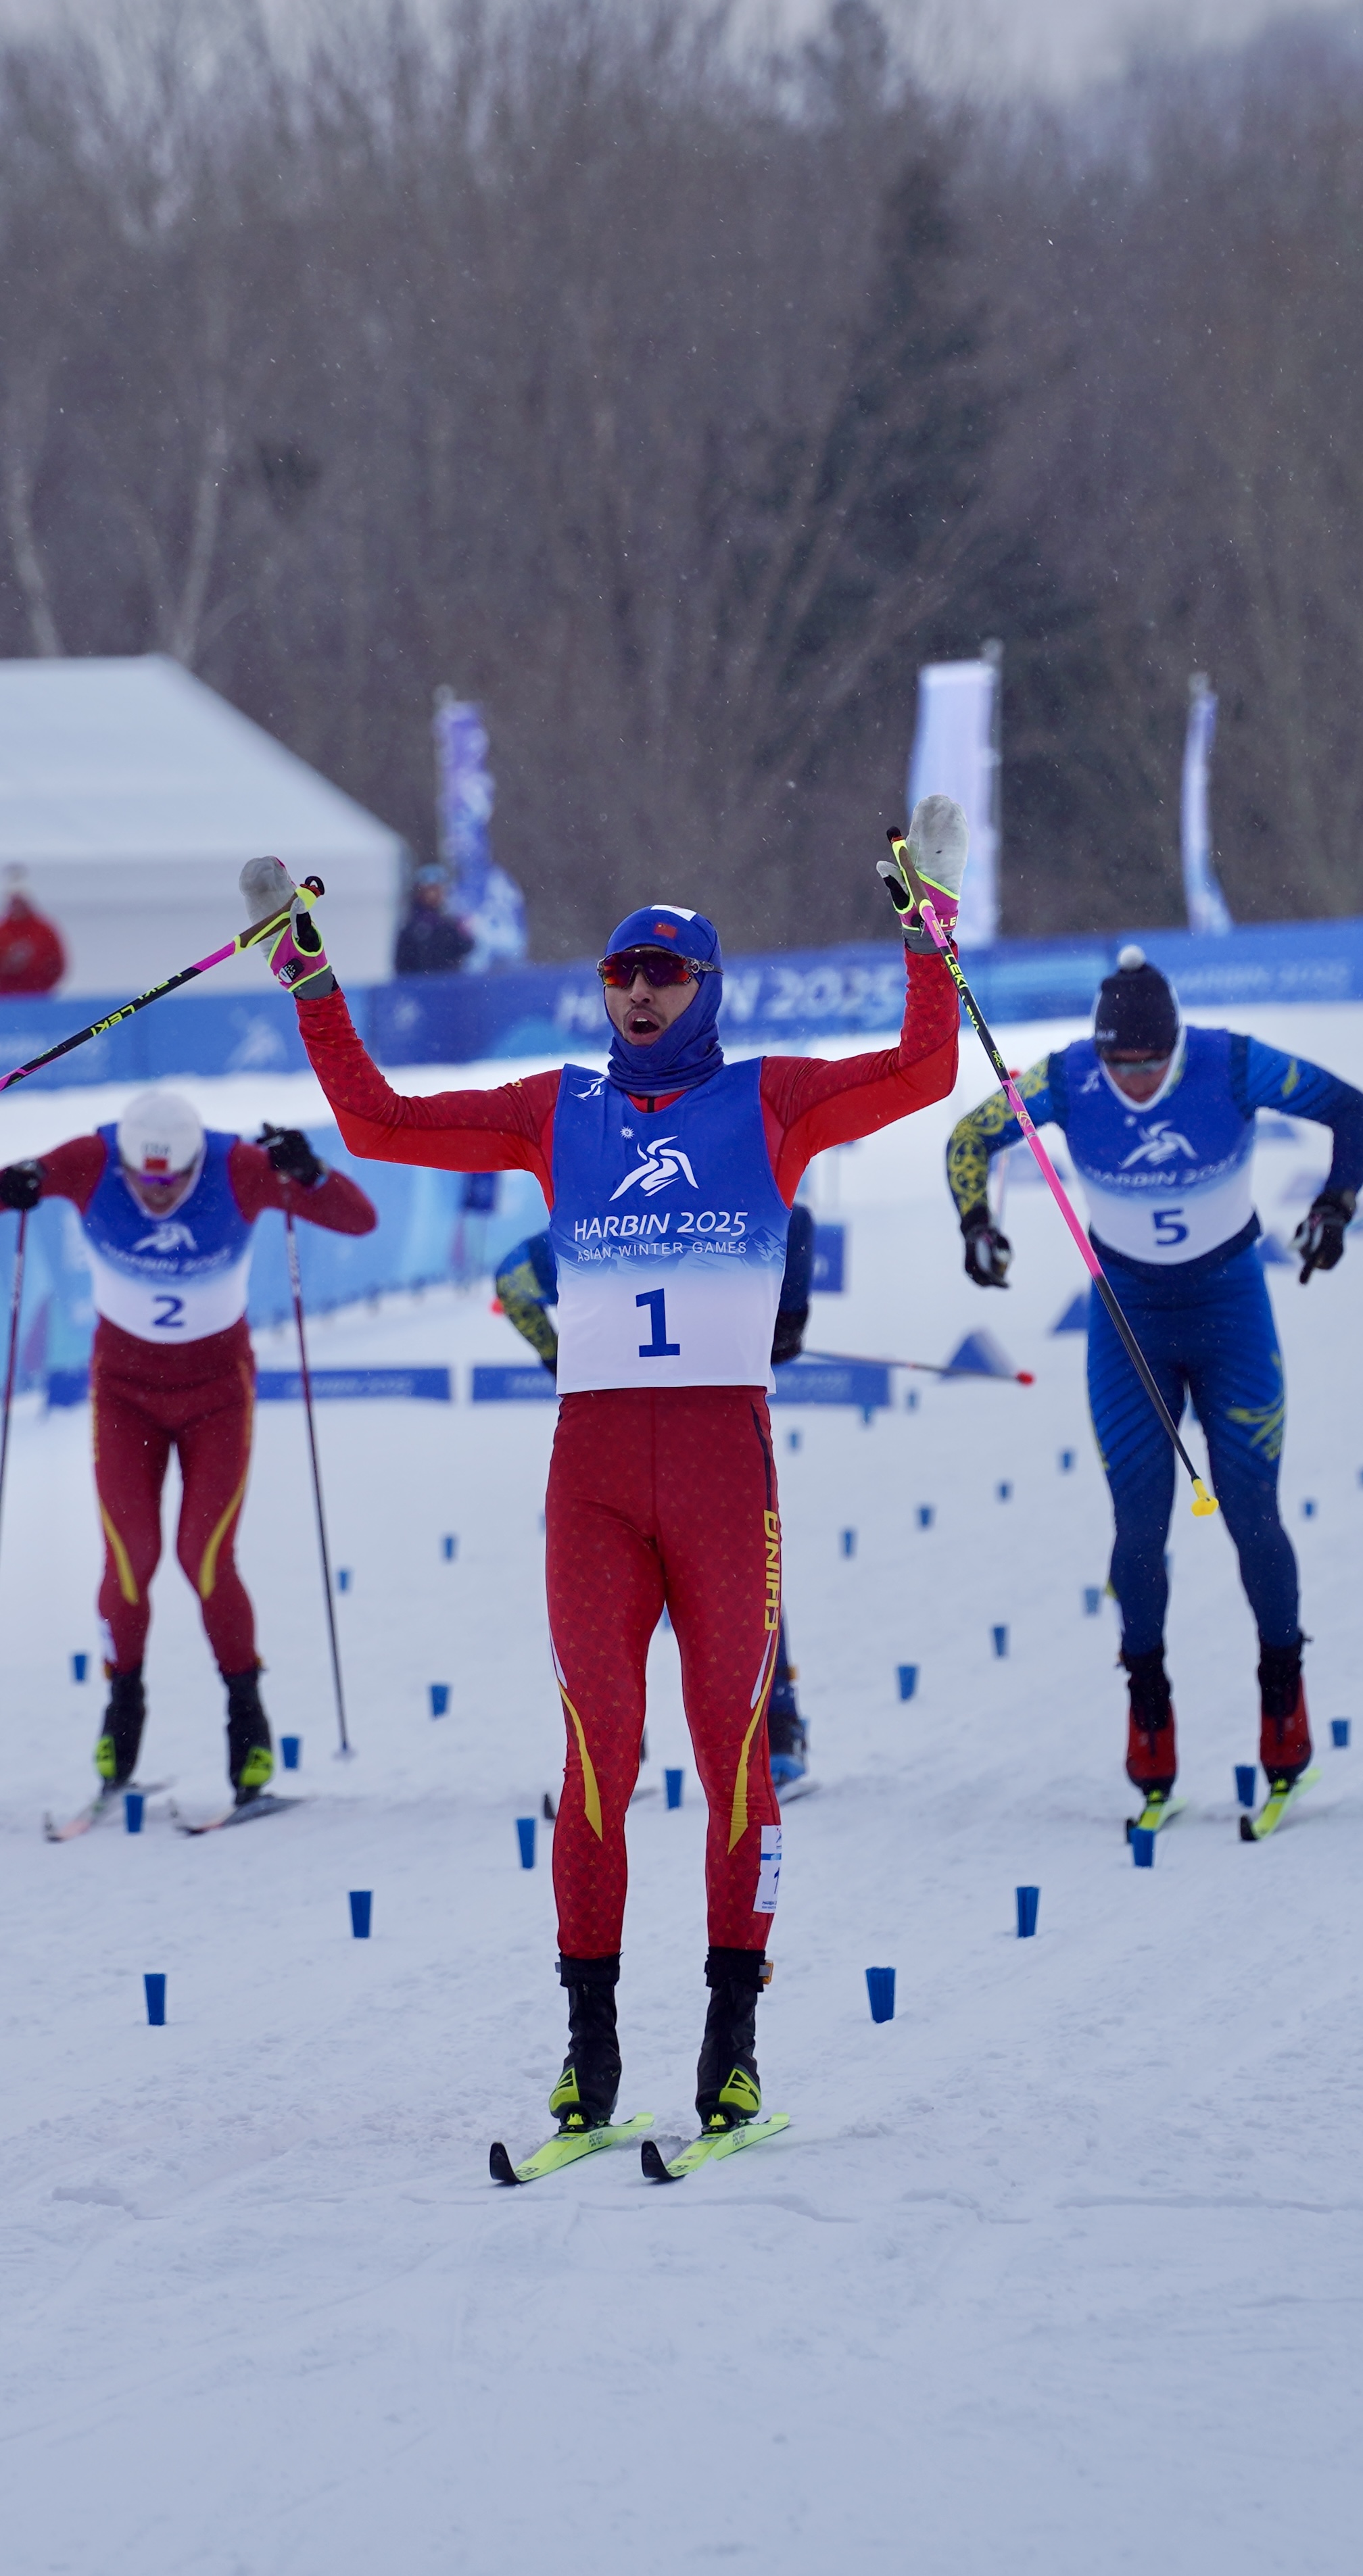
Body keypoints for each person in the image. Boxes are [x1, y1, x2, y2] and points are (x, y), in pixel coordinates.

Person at [241, 802, 963, 2136]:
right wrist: (312, 981)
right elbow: (378, 1121)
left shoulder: (773, 1097)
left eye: (662, 971)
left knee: (733, 1754)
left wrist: (929, 924)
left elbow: (925, 1069)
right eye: (618, 972)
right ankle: (588, 2047)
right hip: (590, 1477)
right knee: (594, 1758)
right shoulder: (551, 1106)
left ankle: (731, 2045)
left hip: (716, 1466)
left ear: (705, 989)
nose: (635, 991)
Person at [944, 945, 1363, 1807]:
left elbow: (1352, 1111)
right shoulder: (1068, 1080)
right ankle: (1148, 1707)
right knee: (1137, 1528)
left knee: (1252, 1509)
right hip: (1129, 1322)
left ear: (1176, 1048)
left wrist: (1335, 1203)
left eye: (1150, 1063)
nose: (1135, 1082)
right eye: (1120, 1065)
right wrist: (977, 1225)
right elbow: (969, 1136)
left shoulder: (1233, 1061)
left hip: (1229, 1313)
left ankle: (1282, 1697)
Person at [0, 1091, 377, 1809]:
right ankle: (124, 1704)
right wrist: (10, 1184)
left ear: (196, 1159)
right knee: (132, 1554)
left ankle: (247, 1715)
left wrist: (311, 1170)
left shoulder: (239, 1167)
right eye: (145, 1181)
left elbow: (359, 1219)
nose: (159, 1193)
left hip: (215, 1394)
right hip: (124, 1393)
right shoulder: (88, 1161)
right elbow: (16, 1187)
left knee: (203, 1553)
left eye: (173, 1180)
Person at [494, 1206, 817, 1791]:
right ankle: (763, 1733)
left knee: (698, 1584)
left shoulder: (615, 1216)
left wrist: (556, 1356)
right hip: (672, 1435)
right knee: (710, 1586)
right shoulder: (673, 1204)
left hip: (664, 1434)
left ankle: (742, 1732)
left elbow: (511, 1279)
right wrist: (790, 1314)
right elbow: (795, 1221)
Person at [394, 865, 475, 975]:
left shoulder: (448, 924)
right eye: (430, 890)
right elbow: (402, 965)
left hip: (448, 986)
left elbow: (465, 948)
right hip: (421, 986)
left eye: (438, 889)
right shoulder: (411, 927)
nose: (435, 895)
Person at [0, 869, 65, 994]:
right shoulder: (3, 932)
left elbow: (57, 964)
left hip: (39, 997)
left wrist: (39, 977)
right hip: (6, 999)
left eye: (21, 902)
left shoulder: (44, 930)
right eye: (15, 902)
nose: (17, 907)